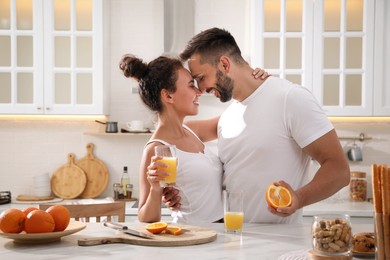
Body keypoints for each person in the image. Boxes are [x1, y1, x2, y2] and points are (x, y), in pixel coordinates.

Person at [163, 27, 350, 224]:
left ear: (224, 64)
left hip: (276, 246)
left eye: (201, 78)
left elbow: (339, 170)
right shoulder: (229, 116)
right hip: (233, 240)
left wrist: (298, 198)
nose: (201, 89)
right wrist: (178, 190)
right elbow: (178, 133)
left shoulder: (290, 98)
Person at [119, 54, 268, 224]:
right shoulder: (156, 148)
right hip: (193, 237)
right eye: (191, 85)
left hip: (221, 231)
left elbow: (236, 115)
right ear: (168, 96)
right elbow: (145, 217)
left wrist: (256, 84)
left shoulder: (193, 130)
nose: (198, 91)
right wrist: (156, 190)